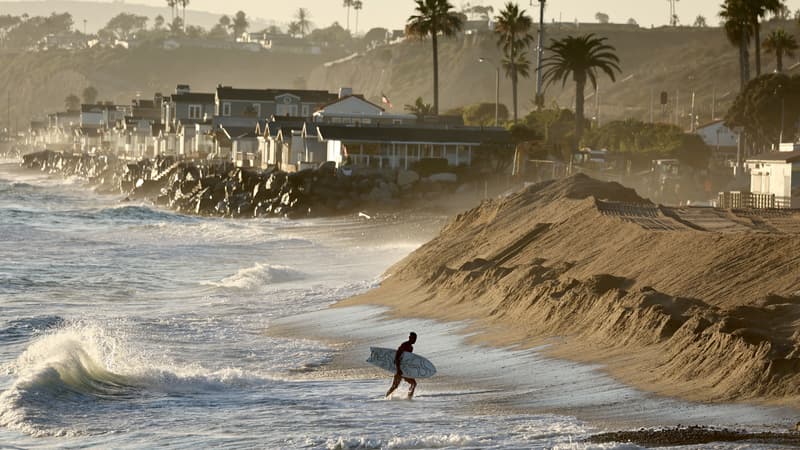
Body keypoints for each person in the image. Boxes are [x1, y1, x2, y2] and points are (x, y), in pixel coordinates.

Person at [385, 332, 417, 399]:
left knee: (413, 383)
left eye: (416, 339)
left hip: (404, 369)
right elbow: (397, 357)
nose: (415, 340)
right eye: (414, 338)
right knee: (395, 386)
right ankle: (385, 398)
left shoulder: (411, 347)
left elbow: (406, 359)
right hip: (399, 369)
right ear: (410, 338)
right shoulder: (404, 345)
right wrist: (398, 369)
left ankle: (409, 397)